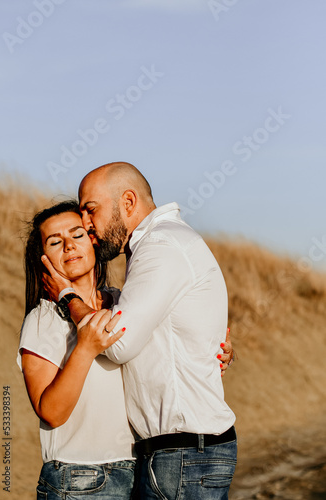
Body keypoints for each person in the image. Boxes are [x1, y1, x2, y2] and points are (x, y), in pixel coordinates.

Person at [42, 162, 237, 500]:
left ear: (128, 202)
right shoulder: (160, 245)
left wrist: (67, 295)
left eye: (91, 210)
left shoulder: (161, 245)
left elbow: (117, 344)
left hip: (183, 455)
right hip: (181, 453)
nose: (86, 226)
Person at [17, 201, 136, 499]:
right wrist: (84, 349)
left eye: (78, 234)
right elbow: (51, 412)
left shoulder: (122, 303)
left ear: (93, 241)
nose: (69, 246)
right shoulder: (43, 319)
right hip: (79, 477)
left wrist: (218, 354)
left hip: (141, 468)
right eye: (56, 242)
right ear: (43, 259)